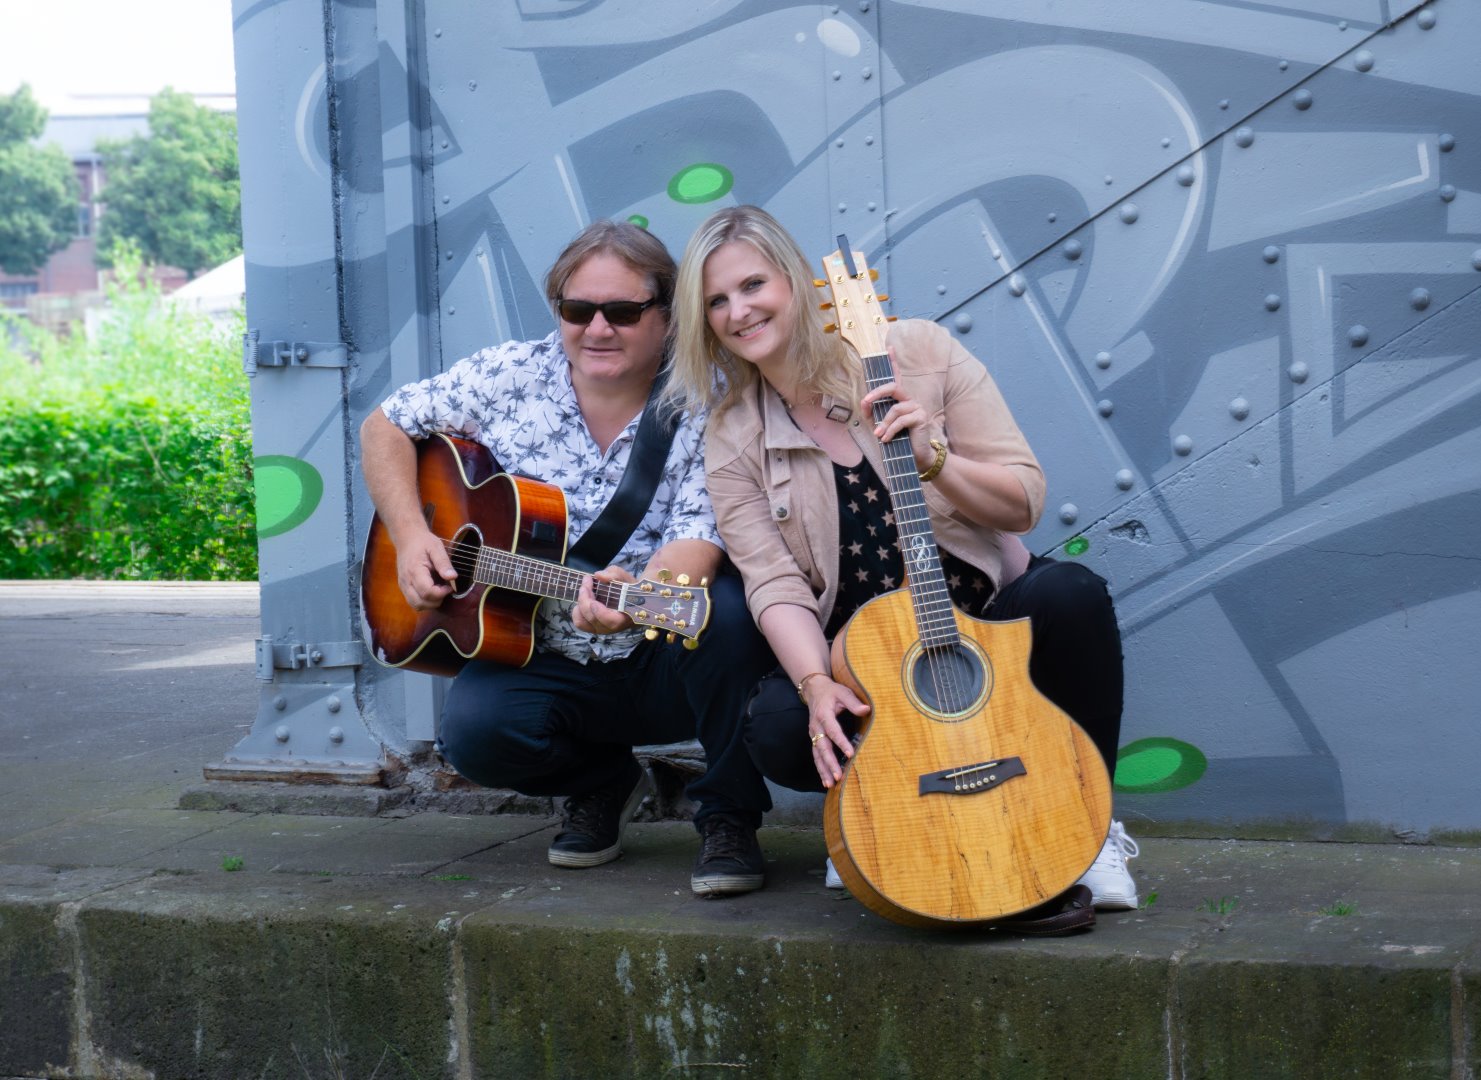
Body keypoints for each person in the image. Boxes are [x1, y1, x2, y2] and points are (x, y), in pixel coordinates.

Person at [666, 205, 1139, 910]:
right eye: (716, 301)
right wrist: (814, 685)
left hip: (983, 623)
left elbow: (1023, 501)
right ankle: (875, 819)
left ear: (796, 280)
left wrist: (934, 459)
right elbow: (772, 584)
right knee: (780, 724)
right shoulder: (733, 434)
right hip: (872, 661)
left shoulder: (917, 352)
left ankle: (1088, 828)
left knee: (1070, 594)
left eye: (753, 285)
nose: (739, 311)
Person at [360, 220, 774, 897]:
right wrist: (412, 536)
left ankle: (728, 818)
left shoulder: (712, 397)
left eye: (623, 312)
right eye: (578, 310)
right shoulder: (508, 376)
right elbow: (385, 425)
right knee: (474, 736)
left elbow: (699, 532)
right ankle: (602, 783)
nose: (598, 329)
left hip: (662, 655)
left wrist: (639, 598)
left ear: (668, 315)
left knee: (724, 613)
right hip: (541, 650)